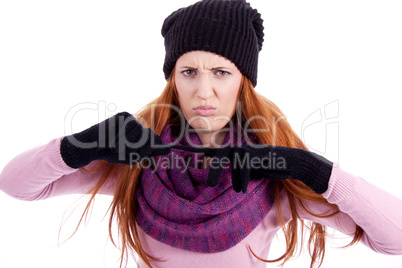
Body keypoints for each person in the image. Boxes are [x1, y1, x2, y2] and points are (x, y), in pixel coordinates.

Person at [1, 0, 402, 267]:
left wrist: (310, 169)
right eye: (189, 72)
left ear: (243, 82)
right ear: (173, 79)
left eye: (221, 73)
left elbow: (394, 240)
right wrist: (76, 147)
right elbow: (15, 185)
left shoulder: (270, 181)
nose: (203, 91)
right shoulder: (141, 161)